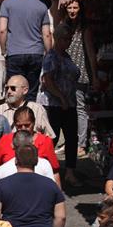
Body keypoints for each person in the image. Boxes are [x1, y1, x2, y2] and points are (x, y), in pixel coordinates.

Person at [37, 23, 80, 186]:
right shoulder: (51, 56)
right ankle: (44, 171)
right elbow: (48, 80)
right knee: (51, 138)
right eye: (65, 39)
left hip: (69, 103)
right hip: (54, 104)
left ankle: (70, 172)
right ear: (57, 38)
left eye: (69, 39)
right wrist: (61, 98)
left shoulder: (66, 56)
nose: (67, 42)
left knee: (71, 138)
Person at [0, 0, 51, 102]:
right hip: (36, 53)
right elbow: (46, 34)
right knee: (31, 91)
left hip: (14, 53)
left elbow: (2, 30)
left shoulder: (7, 4)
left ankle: (15, 117)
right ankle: (29, 116)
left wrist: (3, 50)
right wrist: (49, 54)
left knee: (14, 91)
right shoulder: (41, 6)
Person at [62, 0, 98, 158]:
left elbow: (90, 53)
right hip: (64, 74)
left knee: (79, 109)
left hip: (79, 74)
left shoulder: (84, 29)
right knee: (67, 109)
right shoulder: (64, 27)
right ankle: (72, 142)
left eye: (75, 7)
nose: (72, 10)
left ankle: (81, 144)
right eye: (69, 7)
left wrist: (94, 76)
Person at [0, 75, 56, 139]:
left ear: (25, 90)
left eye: (13, 88)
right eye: (7, 88)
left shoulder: (37, 109)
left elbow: (49, 136)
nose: (9, 91)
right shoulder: (0, 110)